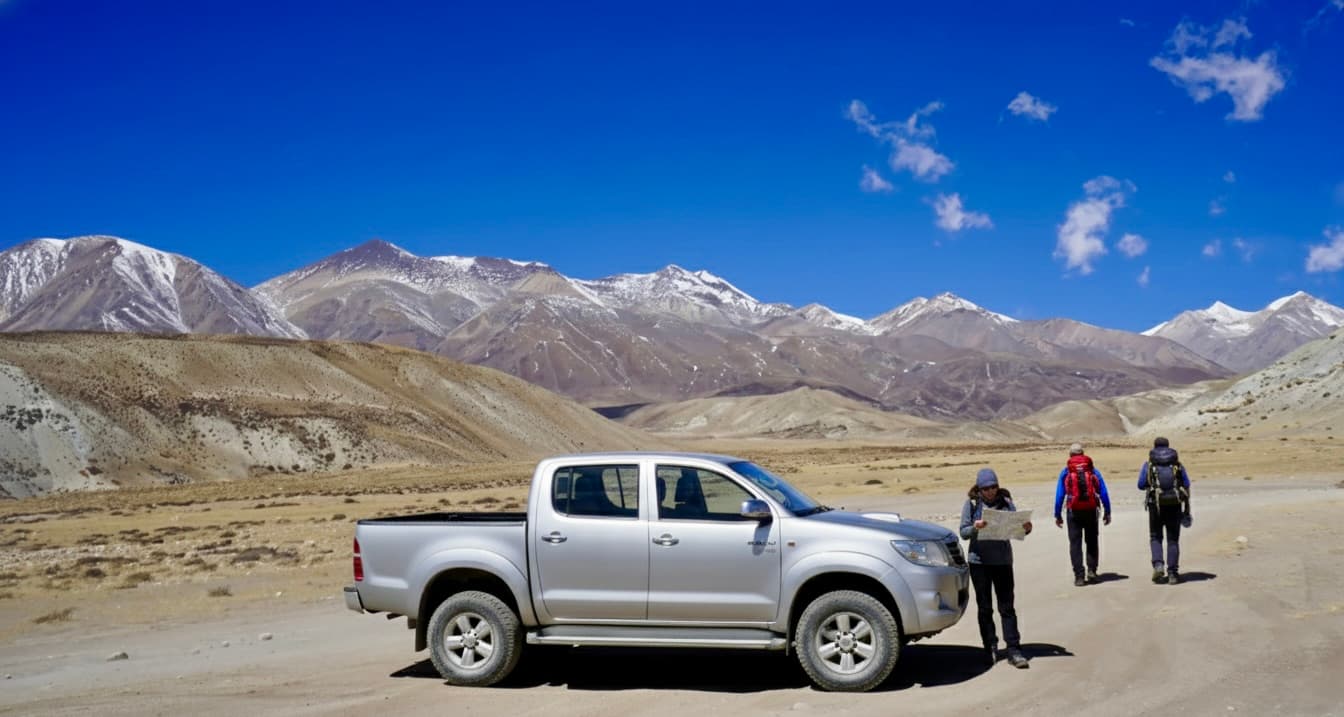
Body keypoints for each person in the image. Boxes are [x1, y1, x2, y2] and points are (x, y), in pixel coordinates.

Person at [960, 468, 1033, 669]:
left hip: (1002, 561)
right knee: (985, 608)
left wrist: (1026, 528)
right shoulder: (972, 504)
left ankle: (1014, 650)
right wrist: (976, 527)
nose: (991, 491)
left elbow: (1018, 528)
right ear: (979, 488)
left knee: (1007, 607)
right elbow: (963, 532)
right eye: (986, 488)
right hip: (979, 563)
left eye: (993, 487)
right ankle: (990, 646)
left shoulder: (1007, 503)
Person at [1053, 443, 1112, 586]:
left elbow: (1060, 495)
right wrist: (1107, 511)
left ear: (1070, 455)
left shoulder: (1066, 471)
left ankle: (1079, 576)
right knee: (1092, 541)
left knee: (1075, 544)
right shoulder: (1092, 471)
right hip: (1091, 511)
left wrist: (1057, 514)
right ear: (1083, 453)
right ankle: (1092, 571)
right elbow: (1103, 492)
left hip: (1073, 511)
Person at [1138, 437, 1192, 585]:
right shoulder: (1177, 465)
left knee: (1155, 537)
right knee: (1173, 539)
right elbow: (1186, 484)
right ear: (1168, 447)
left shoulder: (1149, 464)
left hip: (1155, 505)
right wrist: (1187, 508)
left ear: (1154, 447)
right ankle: (1173, 574)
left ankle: (1158, 565)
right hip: (1174, 505)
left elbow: (1141, 484)